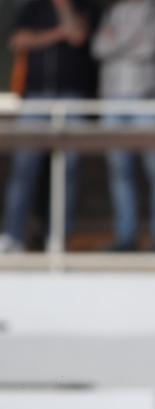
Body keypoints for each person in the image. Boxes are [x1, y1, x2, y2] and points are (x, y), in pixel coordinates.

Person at [0, 0, 95, 253]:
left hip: (72, 98)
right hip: (35, 97)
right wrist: (58, 33)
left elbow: (78, 36)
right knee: (24, 169)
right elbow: (19, 40)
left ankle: (58, 237)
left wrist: (64, 10)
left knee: (69, 171)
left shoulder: (84, 6)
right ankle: (13, 235)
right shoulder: (33, 7)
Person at [91, 0, 155, 251]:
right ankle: (125, 237)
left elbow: (149, 48)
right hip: (113, 100)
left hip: (148, 100)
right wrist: (132, 39)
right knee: (120, 172)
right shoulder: (116, 10)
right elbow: (98, 47)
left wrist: (116, 41)